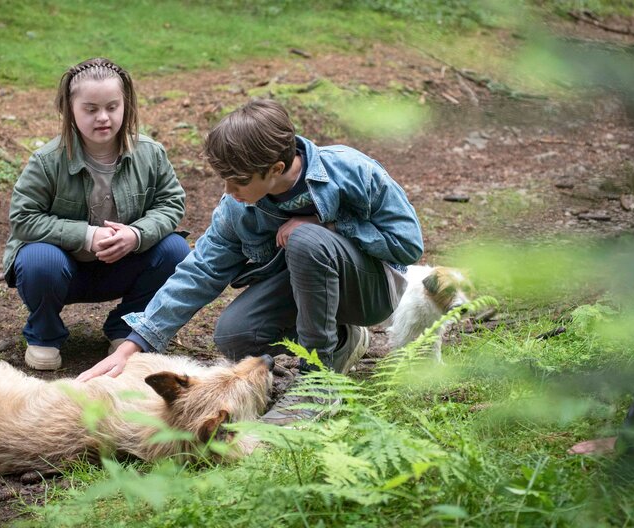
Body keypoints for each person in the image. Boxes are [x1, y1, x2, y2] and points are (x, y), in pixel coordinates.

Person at [77, 99, 423, 425]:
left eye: (239, 181)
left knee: (305, 240)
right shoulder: (237, 207)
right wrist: (135, 344)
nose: (228, 190)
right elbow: (202, 270)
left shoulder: (351, 171)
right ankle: (343, 339)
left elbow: (407, 244)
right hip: (307, 290)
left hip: (370, 292)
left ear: (275, 168)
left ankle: (319, 382)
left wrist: (328, 225)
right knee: (236, 335)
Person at [2, 58, 190, 371]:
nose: (103, 118)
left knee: (175, 250)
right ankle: (44, 334)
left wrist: (135, 234)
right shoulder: (46, 161)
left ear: (125, 105)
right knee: (37, 260)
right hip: (64, 270)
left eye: (112, 107)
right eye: (90, 109)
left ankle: (127, 328)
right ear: (69, 109)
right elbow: (23, 217)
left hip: (123, 265)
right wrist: (87, 236)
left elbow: (171, 202)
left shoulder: (150, 153)